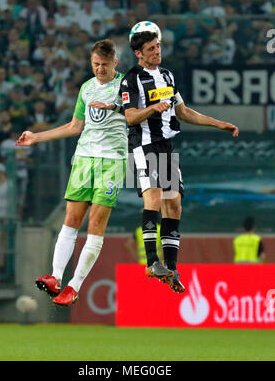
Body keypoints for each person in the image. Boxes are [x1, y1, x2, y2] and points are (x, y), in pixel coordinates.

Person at [120, 31, 239, 293]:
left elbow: (183, 112)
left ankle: (170, 269)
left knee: (174, 204)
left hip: (166, 146)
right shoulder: (131, 79)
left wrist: (217, 123)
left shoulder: (168, 76)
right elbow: (129, 117)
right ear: (138, 53)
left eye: (158, 46)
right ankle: (152, 261)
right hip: (143, 144)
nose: (156, 51)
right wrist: (152, 109)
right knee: (153, 197)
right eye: (150, 48)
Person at [15, 39, 127, 307]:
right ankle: (55, 277)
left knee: (95, 224)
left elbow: (137, 114)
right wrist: (36, 137)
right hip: (83, 159)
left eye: (104, 64)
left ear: (115, 63)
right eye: (95, 64)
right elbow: (76, 126)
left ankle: (74, 286)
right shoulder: (87, 88)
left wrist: (115, 108)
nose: (99, 69)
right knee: (71, 219)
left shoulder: (127, 86)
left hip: (112, 161)